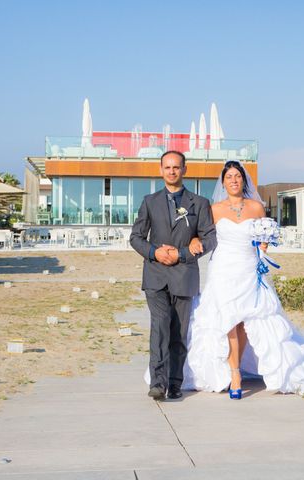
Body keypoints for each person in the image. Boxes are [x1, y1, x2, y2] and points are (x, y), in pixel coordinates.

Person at [183, 160, 304, 399]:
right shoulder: (214, 209)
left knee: (245, 321)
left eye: (237, 176)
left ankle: (239, 366)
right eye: (229, 176)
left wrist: (264, 245)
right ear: (223, 182)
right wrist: (193, 241)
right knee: (227, 321)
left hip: (249, 268)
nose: (233, 180)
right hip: (223, 268)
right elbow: (198, 234)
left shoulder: (256, 207)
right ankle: (234, 374)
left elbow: (263, 238)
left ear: (243, 180)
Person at [130, 151, 217, 401]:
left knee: (179, 332)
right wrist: (155, 252)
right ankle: (157, 383)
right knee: (160, 327)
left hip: (184, 275)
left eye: (176, 167)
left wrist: (182, 254)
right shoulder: (149, 201)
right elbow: (136, 238)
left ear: (184, 170)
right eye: (167, 167)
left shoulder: (199, 203)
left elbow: (210, 237)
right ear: (161, 170)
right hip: (155, 277)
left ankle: (175, 382)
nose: (172, 171)